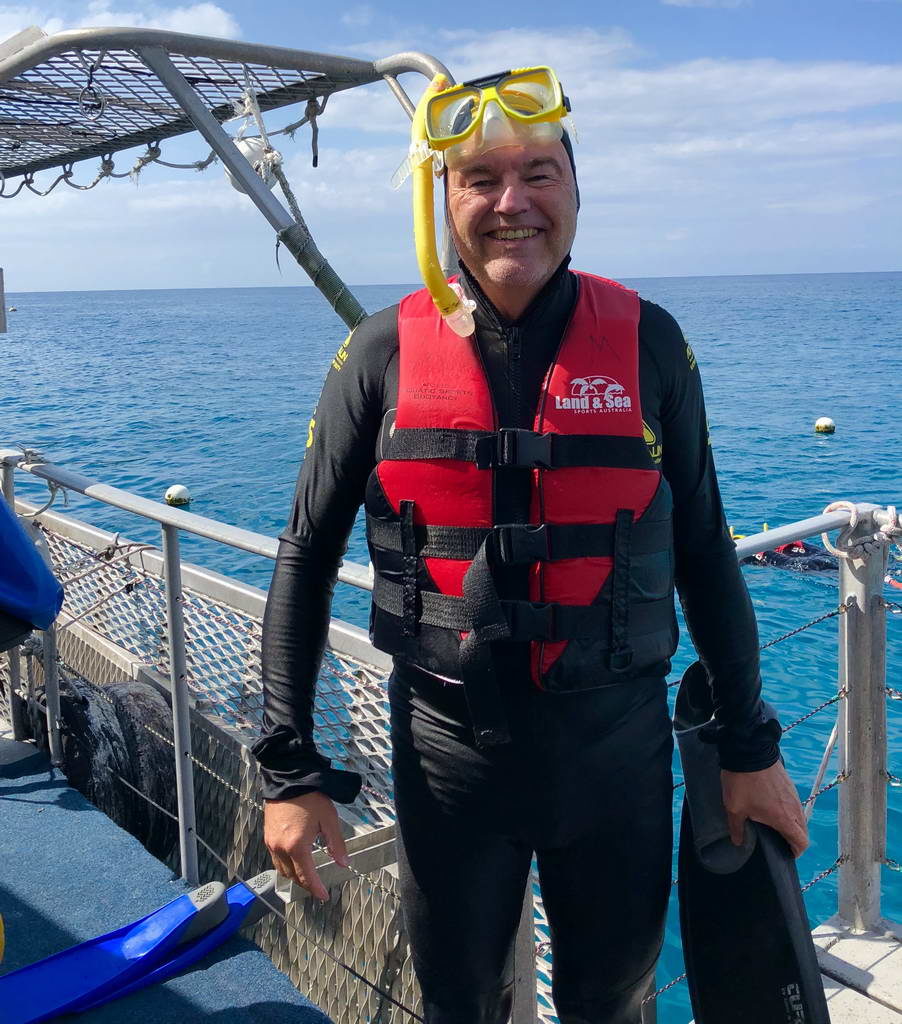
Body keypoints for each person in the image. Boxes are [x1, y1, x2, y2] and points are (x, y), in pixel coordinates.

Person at [253, 66, 809, 1024]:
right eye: (481, 179)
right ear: (444, 201)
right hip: (447, 765)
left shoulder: (652, 344)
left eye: (540, 173)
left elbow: (708, 551)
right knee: (459, 1003)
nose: (513, 203)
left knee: (611, 999)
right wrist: (289, 770)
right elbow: (305, 553)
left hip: (618, 765)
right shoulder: (377, 353)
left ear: (576, 192)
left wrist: (750, 748)